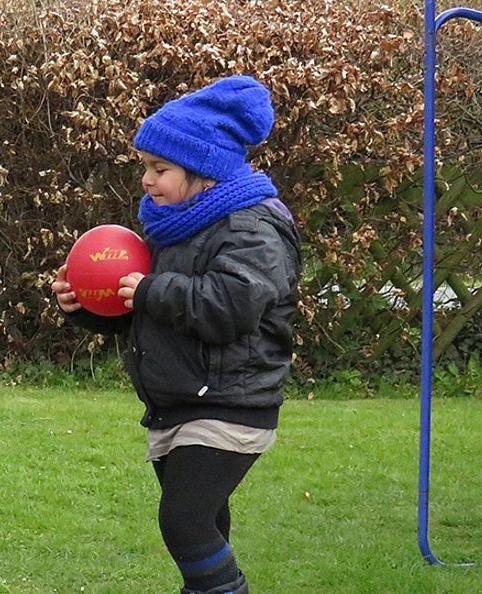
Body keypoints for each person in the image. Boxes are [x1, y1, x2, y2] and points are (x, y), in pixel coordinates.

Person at [51, 75, 302, 594]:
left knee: (184, 523)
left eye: (160, 169)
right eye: (145, 166)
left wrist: (148, 291)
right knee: (207, 526)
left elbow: (230, 306)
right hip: (178, 402)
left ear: (205, 172)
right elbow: (148, 311)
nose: (146, 180)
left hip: (231, 403)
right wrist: (86, 308)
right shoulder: (174, 226)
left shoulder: (252, 228)